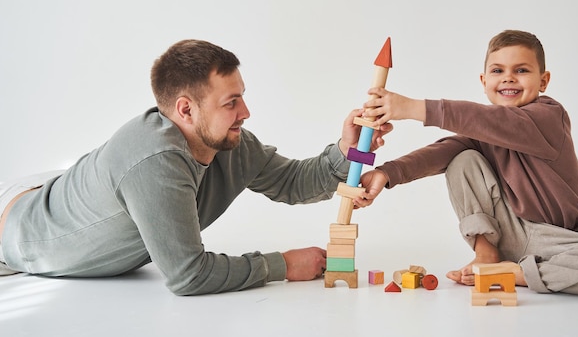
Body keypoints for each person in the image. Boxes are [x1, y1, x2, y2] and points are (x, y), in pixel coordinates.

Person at [0, 39, 392, 296]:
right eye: (231, 102)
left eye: (242, 98)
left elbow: (292, 182)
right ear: (185, 109)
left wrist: (346, 148)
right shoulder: (155, 162)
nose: (246, 112)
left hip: (59, 192)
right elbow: (188, 275)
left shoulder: (227, 141)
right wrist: (283, 265)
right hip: (20, 231)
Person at [354, 29, 578, 298]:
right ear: (484, 82)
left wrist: (414, 108)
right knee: (462, 158)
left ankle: (516, 273)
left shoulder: (549, 116)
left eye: (521, 70)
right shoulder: (483, 134)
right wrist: (386, 173)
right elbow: (442, 151)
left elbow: (494, 121)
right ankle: (487, 254)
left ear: (543, 81)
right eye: (498, 71)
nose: (508, 77)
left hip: (558, 241)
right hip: (509, 231)